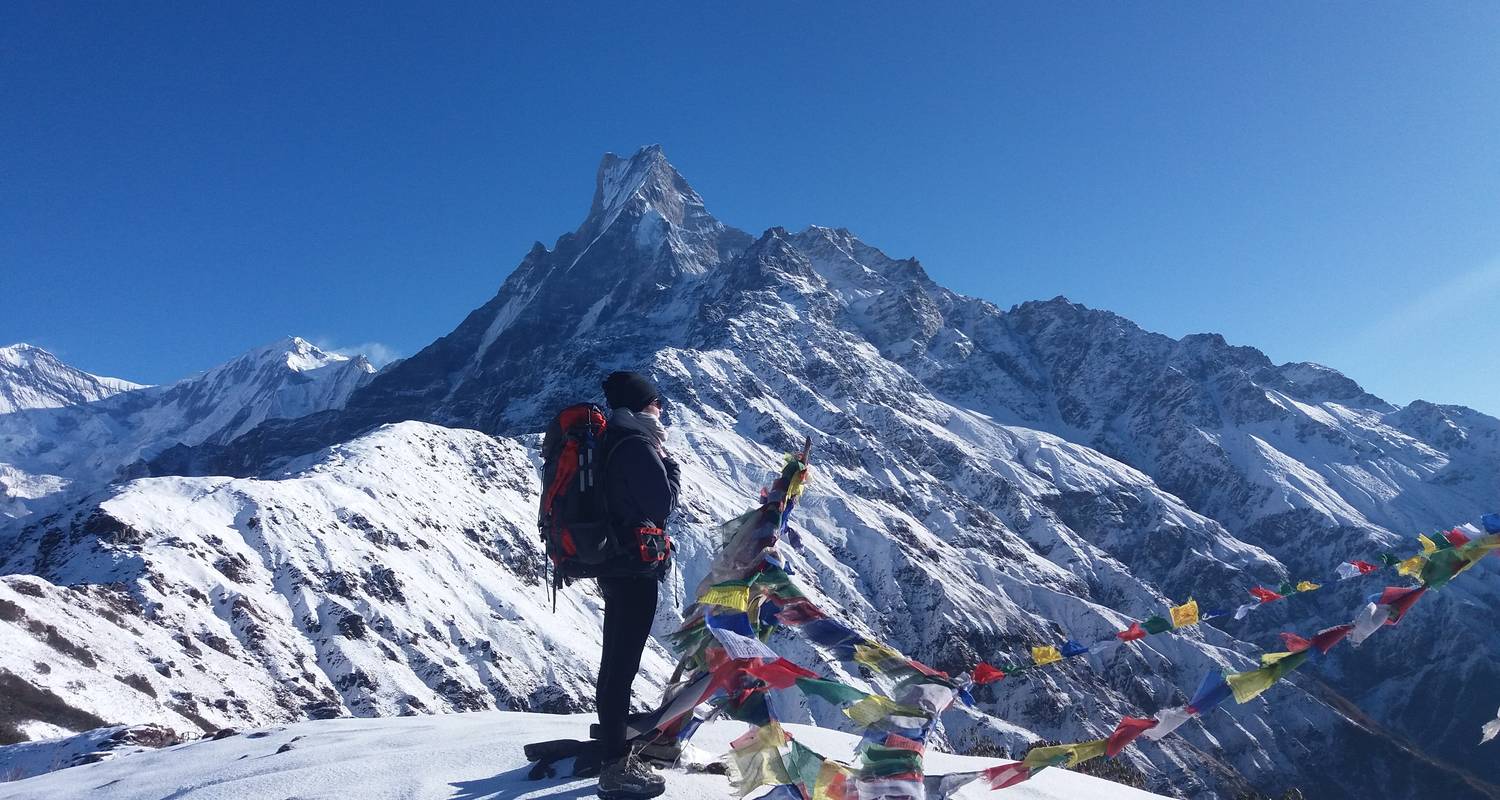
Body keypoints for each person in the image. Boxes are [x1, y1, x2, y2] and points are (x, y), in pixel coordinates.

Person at [594, 370, 680, 799]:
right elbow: (661, 502)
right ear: (641, 406)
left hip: (617, 565)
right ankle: (615, 766)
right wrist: (670, 467)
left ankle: (612, 743)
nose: (661, 408)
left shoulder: (615, 439)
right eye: (655, 401)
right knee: (621, 667)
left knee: (616, 663)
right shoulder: (635, 443)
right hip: (633, 569)